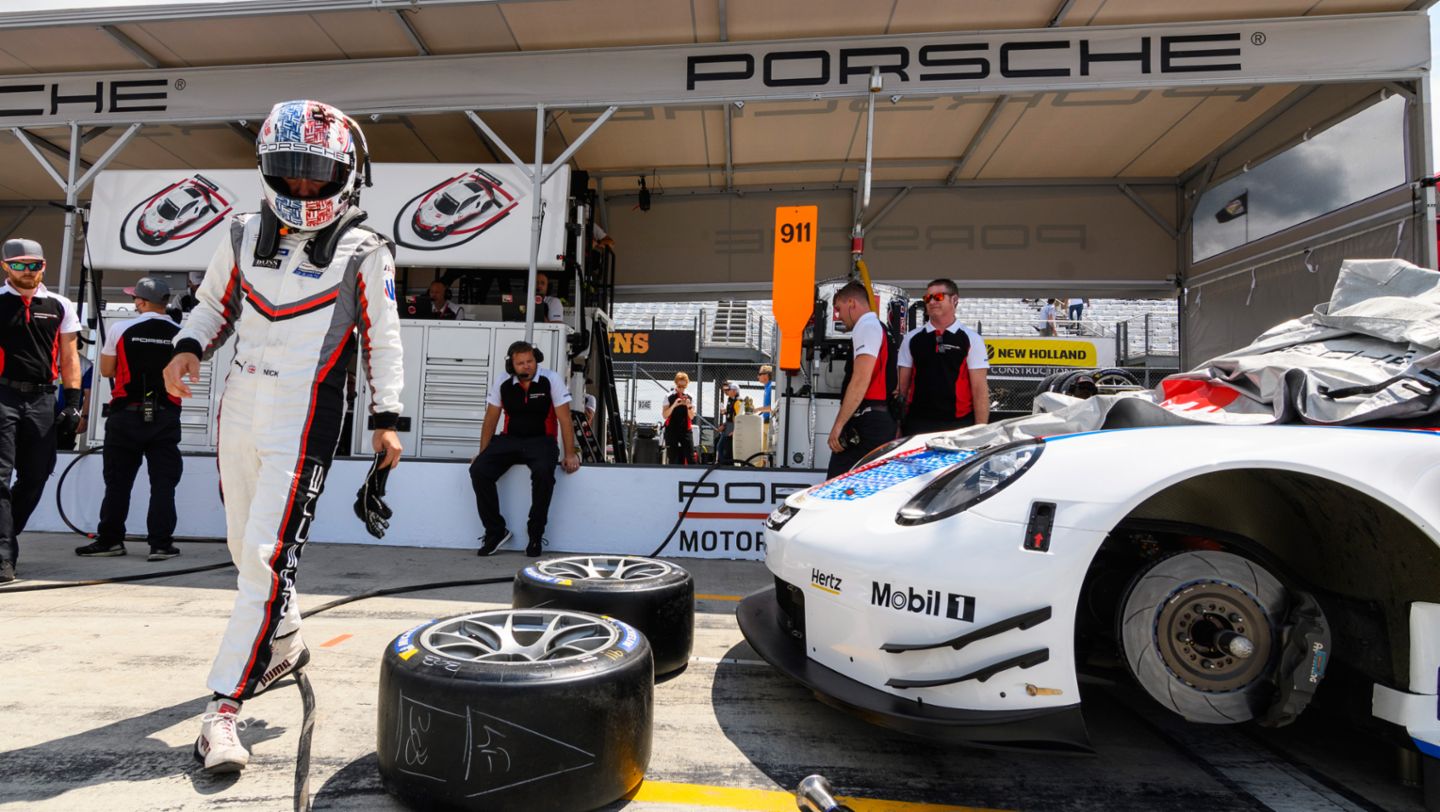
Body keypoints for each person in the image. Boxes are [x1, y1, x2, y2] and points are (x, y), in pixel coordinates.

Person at [163, 99, 404, 774]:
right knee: (245, 548)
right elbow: (212, 304)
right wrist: (188, 348)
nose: (300, 186)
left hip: (308, 412)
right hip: (236, 403)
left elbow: (383, 341)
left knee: (267, 556)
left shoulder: (367, 250)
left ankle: (223, 708)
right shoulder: (240, 232)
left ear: (345, 174)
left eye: (315, 172)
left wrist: (389, 418)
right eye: (288, 170)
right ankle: (287, 640)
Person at [76, 277, 183, 560]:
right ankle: (160, 544)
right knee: (163, 483)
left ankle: (111, 540)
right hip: (164, 416)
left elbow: (107, 371)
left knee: (118, 482)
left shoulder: (120, 328)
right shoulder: (181, 332)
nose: (134, 302)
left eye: (135, 298)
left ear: (142, 301)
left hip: (126, 415)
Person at [0, 238, 82, 584]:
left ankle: (6, 537)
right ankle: (4, 558)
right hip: (2, 395)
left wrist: (74, 403)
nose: (27, 271)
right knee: (0, 480)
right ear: (6, 267)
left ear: (44, 266)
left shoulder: (60, 305)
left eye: (34, 265)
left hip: (43, 401)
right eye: (19, 265)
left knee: (36, 476)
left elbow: (69, 356)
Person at [471, 341, 580, 557]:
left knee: (543, 474)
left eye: (530, 361)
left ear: (536, 359)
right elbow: (491, 419)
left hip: (542, 441)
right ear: (512, 365)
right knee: (479, 470)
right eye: (520, 363)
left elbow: (565, 420)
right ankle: (495, 532)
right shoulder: (503, 381)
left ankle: (535, 534)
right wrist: (482, 453)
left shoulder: (551, 379)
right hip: (509, 439)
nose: (526, 366)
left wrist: (570, 453)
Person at [896, 279, 990, 436]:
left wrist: (980, 431)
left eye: (938, 297)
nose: (931, 301)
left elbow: (979, 389)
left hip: (959, 425)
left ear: (954, 300)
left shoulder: (971, 338)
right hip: (917, 424)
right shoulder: (912, 338)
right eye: (927, 298)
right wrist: (897, 424)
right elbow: (902, 388)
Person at [826, 281, 895, 479]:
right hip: (878, 421)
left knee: (835, 487)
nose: (838, 316)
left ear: (852, 303)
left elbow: (860, 379)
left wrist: (838, 425)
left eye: (838, 309)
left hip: (867, 423)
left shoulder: (866, 327)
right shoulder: (882, 329)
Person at [661, 372, 696, 465]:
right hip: (672, 429)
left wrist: (688, 405)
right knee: (673, 457)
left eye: (684, 387)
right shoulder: (668, 396)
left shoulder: (690, 397)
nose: (681, 389)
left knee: (691, 457)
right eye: (679, 386)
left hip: (685, 429)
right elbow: (665, 415)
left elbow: (692, 416)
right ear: (676, 384)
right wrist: (674, 405)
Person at [718, 381, 742, 465]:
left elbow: (739, 418)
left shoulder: (737, 402)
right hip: (729, 426)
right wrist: (724, 425)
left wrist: (735, 430)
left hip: (732, 427)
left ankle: (725, 466)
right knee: (721, 446)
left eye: (729, 390)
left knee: (727, 449)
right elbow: (730, 415)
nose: (727, 391)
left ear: (734, 391)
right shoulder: (730, 400)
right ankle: (721, 464)